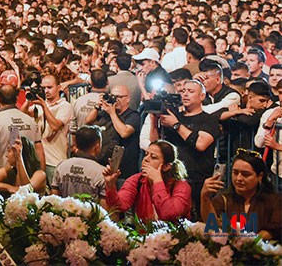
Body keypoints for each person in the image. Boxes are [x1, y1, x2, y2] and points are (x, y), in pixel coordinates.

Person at [143, 79, 220, 215]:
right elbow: (155, 145)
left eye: (191, 91)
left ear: (202, 96)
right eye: (183, 91)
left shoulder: (209, 119)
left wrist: (176, 125)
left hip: (197, 179)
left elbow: (201, 144)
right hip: (172, 179)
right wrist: (154, 122)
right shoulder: (173, 117)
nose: (185, 94)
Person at [200, 149, 281, 240]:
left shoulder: (274, 201)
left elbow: (274, 230)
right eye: (235, 173)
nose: (239, 178)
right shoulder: (222, 199)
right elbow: (212, 226)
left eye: (245, 174)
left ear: (259, 176)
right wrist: (204, 197)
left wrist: (250, 243)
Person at [103, 140, 191, 222]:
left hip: (174, 237)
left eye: (153, 157)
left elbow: (167, 214)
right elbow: (119, 206)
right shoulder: (137, 180)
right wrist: (110, 185)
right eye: (146, 154)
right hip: (145, 236)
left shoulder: (181, 186)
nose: (146, 159)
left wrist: (157, 181)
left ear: (166, 166)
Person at [51, 125, 106, 203]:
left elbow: (54, 200)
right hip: (90, 214)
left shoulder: (61, 166)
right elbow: (104, 210)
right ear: (97, 147)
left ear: (75, 145)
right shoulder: (102, 172)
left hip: (64, 213)